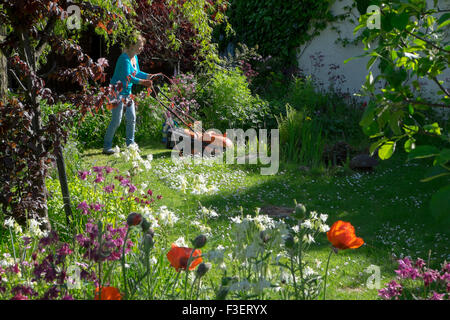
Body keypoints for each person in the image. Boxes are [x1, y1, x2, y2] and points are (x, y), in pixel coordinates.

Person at [103, 32, 153, 155]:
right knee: (117, 120)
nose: (141, 48)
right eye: (139, 45)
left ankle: (130, 146)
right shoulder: (124, 58)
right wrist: (143, 82)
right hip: (116, 93)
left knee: (131, 118)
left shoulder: (134, 57)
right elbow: (128, 78)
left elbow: (137, 72)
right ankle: (106, 147)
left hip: (127, 93)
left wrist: (149, 76)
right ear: (131, 45)